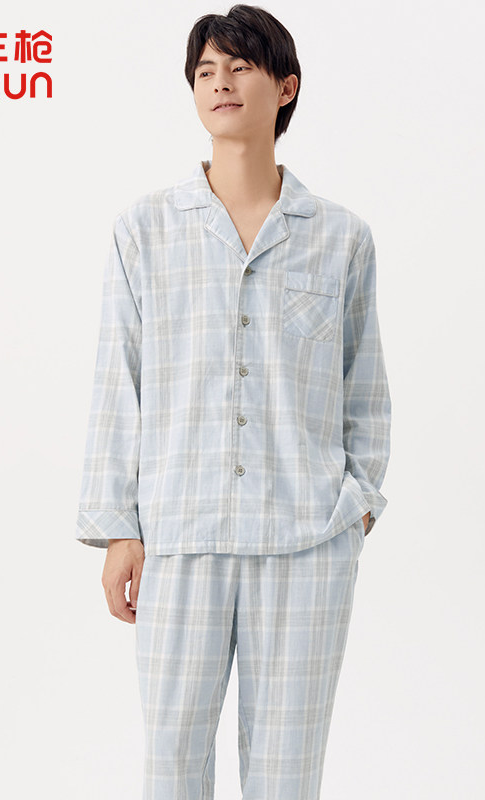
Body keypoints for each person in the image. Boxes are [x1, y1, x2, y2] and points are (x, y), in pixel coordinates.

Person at [74, 5, 391, 798]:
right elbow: (119, 379)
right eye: (206, 71)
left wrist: (355, 508)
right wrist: (118, 528)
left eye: (240, 67)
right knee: (173, 766)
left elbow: (365, 387)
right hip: (181, 534)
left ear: (285, 88)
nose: (220, 83)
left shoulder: (341, 238)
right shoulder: (146, 230)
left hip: (307, 539)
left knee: (288, 774)